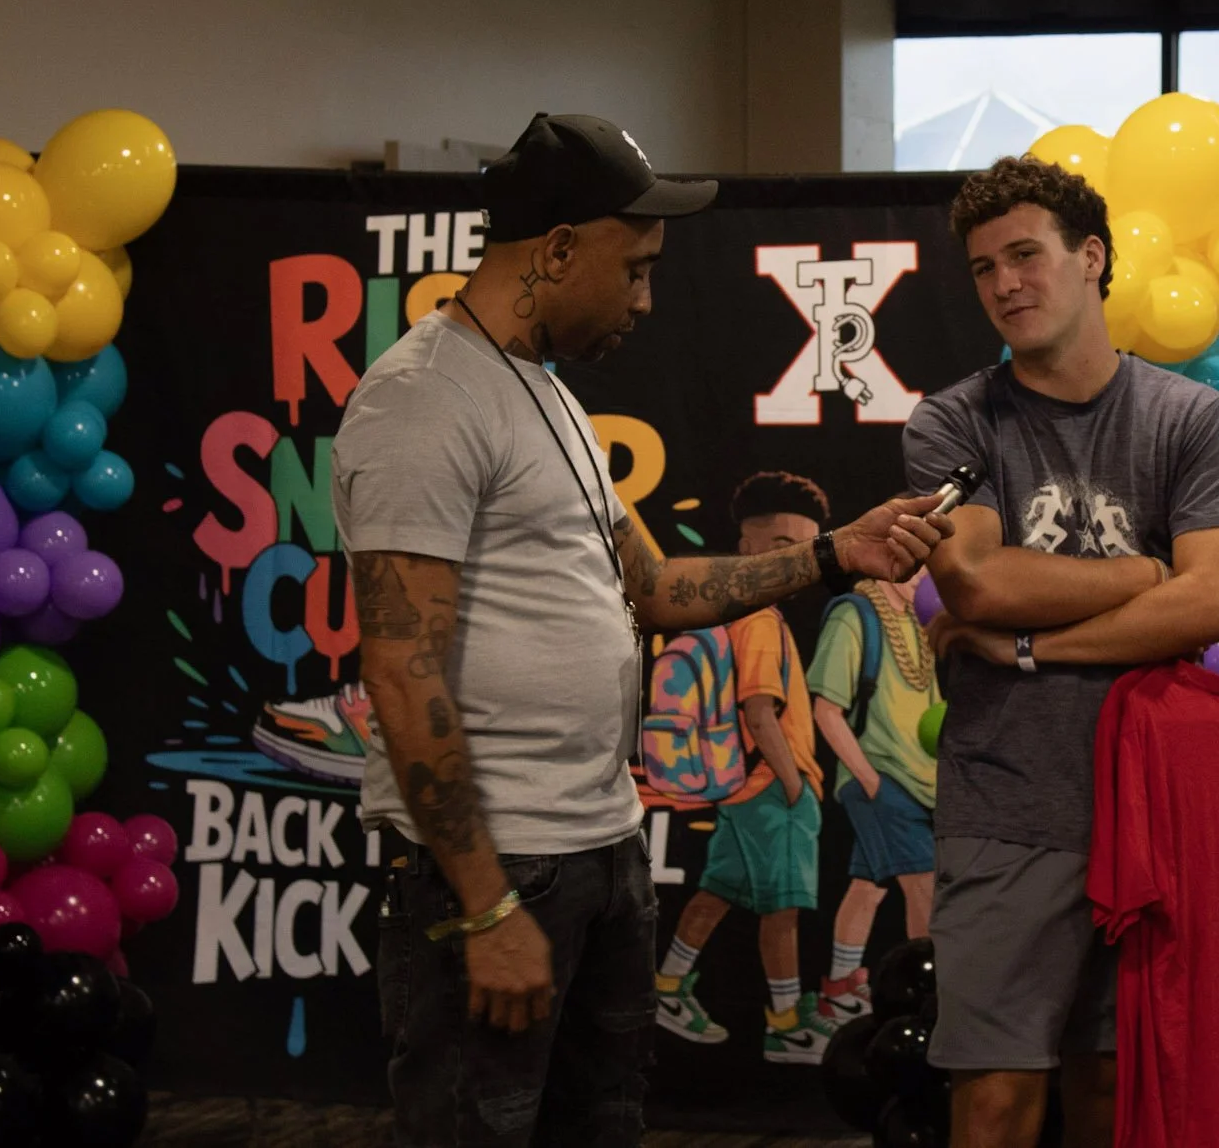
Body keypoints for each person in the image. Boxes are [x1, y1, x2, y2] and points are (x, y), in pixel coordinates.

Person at [334, 112, 952, 1147]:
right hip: (498, 871)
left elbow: (653, 590)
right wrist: (485, 908)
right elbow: (402, 666)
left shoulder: (546, 395)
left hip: (597, 849)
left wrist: (836, 552)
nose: (645, 298)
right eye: (634, 268)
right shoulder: (424, 401)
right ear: (561, 246)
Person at [902, 155, 1219, 1148]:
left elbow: (1215, 599)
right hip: (1007, 803)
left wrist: (1023, 648)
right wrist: (1146, 576)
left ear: (1090, 257)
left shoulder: (1188, 418)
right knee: (997, 1097)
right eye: (982, 269)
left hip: (1155, 806)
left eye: (1025, 255)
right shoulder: (954, 424)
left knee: (1117, 1089)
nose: (1005, 284)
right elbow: (976, 579)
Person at [654, 471, 836, 1064]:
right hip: (771, 791)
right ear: (747, 549)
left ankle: (666, 988)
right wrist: (792, 784)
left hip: (741, 789)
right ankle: (785, 1023)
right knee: (781, 908)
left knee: (716, 892)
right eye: (785, 548)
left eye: (809, 548)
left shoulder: (748, 617)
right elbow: (759, 711)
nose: (800, 562)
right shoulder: (759, 620)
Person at [811, 565, 945, 1025]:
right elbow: (826, 710)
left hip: (920, 780)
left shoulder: (919, 620)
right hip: (881, 778)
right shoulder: (854, 615)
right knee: (924, 887)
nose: (925, 575)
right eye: (917, 564)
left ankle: (840, 986)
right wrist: (868, 779)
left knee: (867, 888)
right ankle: (928, 998)